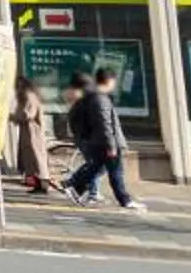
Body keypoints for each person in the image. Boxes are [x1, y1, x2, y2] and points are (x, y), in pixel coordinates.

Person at [64, 65, 143, 209]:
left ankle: (74, 186)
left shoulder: (94, 97)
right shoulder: (100, 99)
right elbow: (104, 124)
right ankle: (125, 200)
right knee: (115, 172)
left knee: (96, 168)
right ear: (110, 81)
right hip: (106, 143)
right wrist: (111, 145)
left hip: (100, 141)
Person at [9, 73, 58, 195]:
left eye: (20, 85)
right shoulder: (25, 96)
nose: (18, 88)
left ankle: (43, 185)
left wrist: (12, 116)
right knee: (31, 160)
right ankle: (37, 185)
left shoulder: (29, 96)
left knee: (37, 160)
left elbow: (27, 114)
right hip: (28, 133)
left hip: (33, 133)